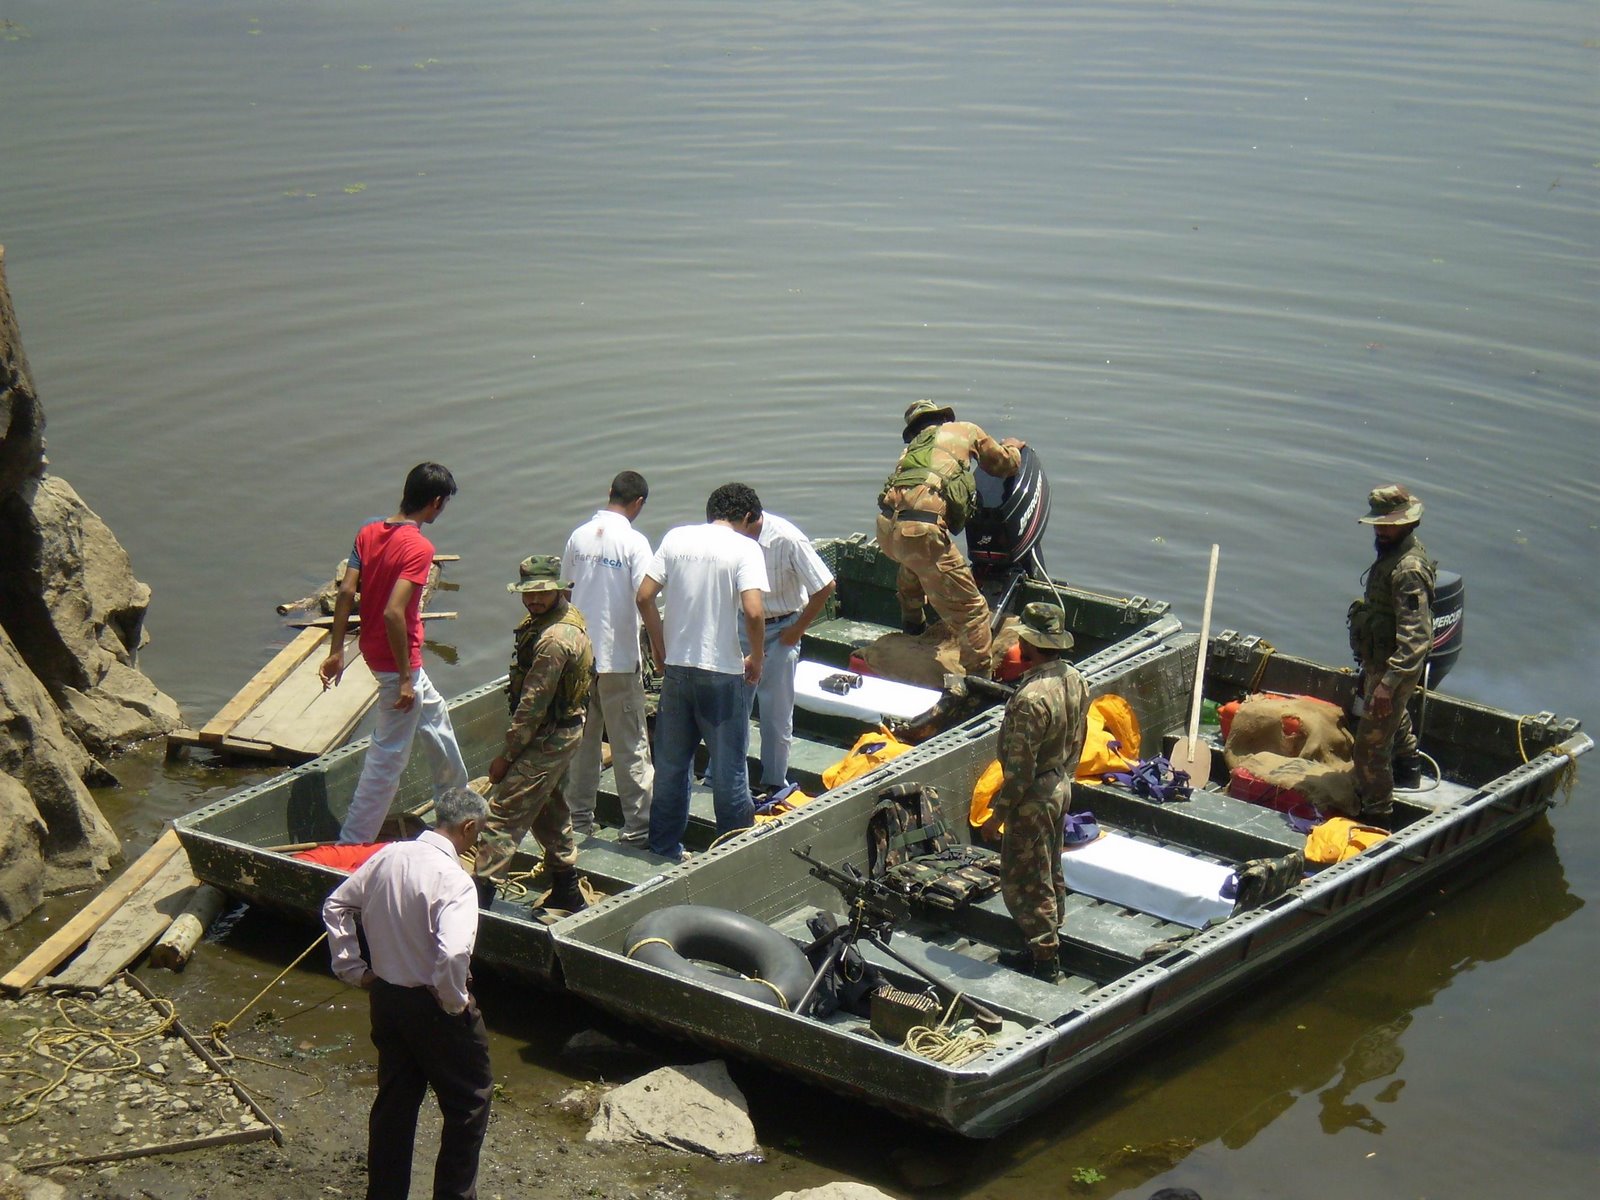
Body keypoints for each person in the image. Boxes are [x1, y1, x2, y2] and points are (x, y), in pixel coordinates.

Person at [322, 785, 492, 1200]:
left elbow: (336, 905)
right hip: (433, 1005)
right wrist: (454, 1002)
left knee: (395, 1104)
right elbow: (453, 952)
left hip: (387, 998)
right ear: (468, 827)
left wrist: (352, 969)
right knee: (469, 1104)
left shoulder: (389, 856)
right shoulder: (455, 881)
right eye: (480, 833)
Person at [320, 462, 469, 844]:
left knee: (436, 716)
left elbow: (345, 593)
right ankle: (351, 843)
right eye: (444, 504)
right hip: (397, 663)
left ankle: (457, 804)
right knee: (388, 757)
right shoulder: (419, 547)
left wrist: (337, 650)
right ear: (435, 502)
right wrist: (404, 677)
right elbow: (393, 612)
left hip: (371, 649)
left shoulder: (368, 531)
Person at [637, 482, 768, 859]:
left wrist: (660, 648)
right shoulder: (745, 548)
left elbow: (644, 596)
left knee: (672, 768)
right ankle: (733, 851)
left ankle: (663, 848)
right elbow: (755, 611)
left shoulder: (676, 538)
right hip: (723, 675)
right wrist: (756, 658)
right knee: (729, 771)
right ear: (745, 518)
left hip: (677, 671)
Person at [474, 555, 593, 913]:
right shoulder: (555, 617)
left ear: (558, 589)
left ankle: (477, 902)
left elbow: (532, 707)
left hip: (548, 735)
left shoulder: (555, 639)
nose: (534, 600)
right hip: (558, 731)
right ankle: (566, 889)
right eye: (528, 594)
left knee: (501, 817)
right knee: (548, 807)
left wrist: (506, 758)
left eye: (542, 593)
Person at [876, 399, 1023, 676]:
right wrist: (1013, 448)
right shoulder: (965, 430)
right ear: (942, 419)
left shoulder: (910, 451)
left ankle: (913, 628)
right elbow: (1003, 465)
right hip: (922, 533)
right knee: (974, 612)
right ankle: (978, 680)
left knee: (913, 565)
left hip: (886, 530)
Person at [981, 602, 1088, 983]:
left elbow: (1019, 770)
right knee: (1050, 865)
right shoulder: (1074, 677)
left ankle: (1044, 959)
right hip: (1060, 784)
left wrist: (998, 814)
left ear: (1029, 641)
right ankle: (1050, 937)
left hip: (1033, 798)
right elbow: (1079, 737)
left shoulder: (1030, 699)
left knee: (1026, 878)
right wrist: (1064, 776)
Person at [563, 471, 655, 842]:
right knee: (630, 743)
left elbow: (566, 592)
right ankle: (639, 828)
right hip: (618, 659)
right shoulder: (634, 542)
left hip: (580, 658)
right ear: (639, 504)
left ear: (610, 494)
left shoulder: (579, 535)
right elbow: (645, 597)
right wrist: (658, 650)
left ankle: (578, 822)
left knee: (582, 744)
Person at [1346, 484, 1436, 827]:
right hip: (1379, 663)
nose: (1381, 530)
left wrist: (1388, 684)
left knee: (1368, 750)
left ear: (1407, 523)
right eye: (1378, 524)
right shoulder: (1390, 555)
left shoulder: (1408, 569)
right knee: (1392, 720)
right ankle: (1409, 767)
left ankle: (1377, 817)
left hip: (1395, 668)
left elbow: (1416, 638)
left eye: (1388, 524)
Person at [741, 509, 835, 798]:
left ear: (746, 518)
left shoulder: (788, 539)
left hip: (782, 629)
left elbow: (825, 585)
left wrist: (798, 630)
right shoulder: (730, 539)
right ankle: (728, 776)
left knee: (776, 712)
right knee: (734, 706)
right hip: (742, 627)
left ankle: (773, 780)